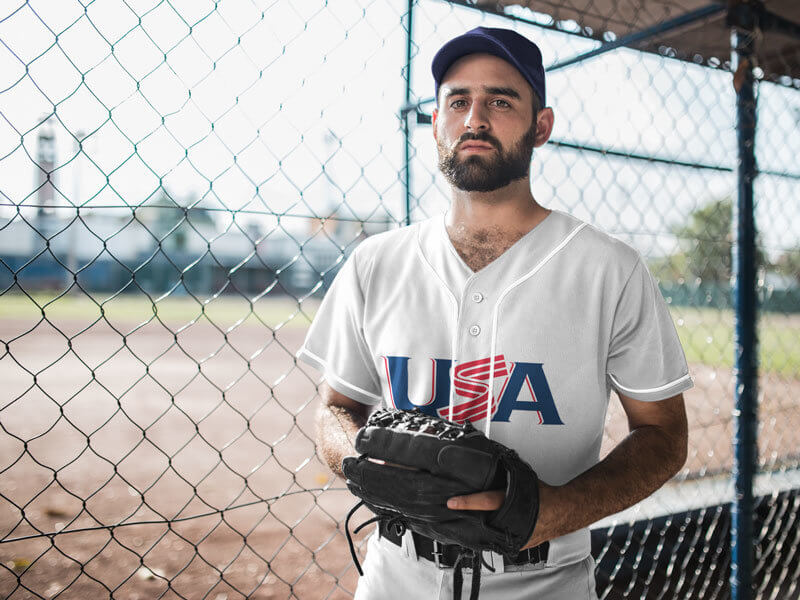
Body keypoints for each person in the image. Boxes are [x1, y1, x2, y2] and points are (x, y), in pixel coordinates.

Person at [298, 26, 692, 600]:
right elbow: (335, 409)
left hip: (547, 581)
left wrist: (549, 511)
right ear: (436, 123)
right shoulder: (375, 262)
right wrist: (357, 458)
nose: (474, 118)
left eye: (500, 101)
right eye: (458, 101)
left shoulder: (610, 268)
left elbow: (663, 436)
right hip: (395, 576)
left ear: (542, 126)